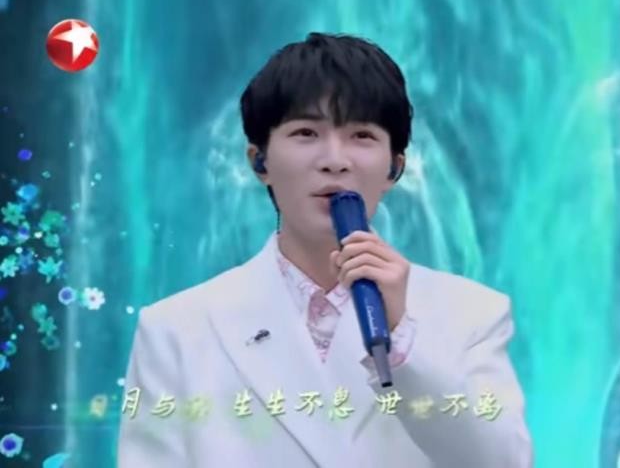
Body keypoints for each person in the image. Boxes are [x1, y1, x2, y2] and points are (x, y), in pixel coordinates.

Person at [117, 32, 533, 468]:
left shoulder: (473, 314)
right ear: (259, 161)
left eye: (362, 135)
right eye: (306, 132)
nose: (335, 160)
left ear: (395, 168)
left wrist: (402, 338)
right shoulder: (175, 329)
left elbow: (503, 462)